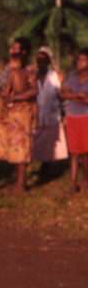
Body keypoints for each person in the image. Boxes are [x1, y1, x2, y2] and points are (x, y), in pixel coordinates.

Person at [0, 38, 37, 192]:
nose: (12, 50)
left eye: (16, 48)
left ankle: (21, 183)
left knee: (21, 147)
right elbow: (1, 89)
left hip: (22, 112)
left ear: (24, 52)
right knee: (11, 146)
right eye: (11, 47)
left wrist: (16, 98)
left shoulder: (29, 70)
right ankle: (18, 181)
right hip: (8, 112)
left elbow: (33, 90)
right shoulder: (7, 69)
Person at [32, 47, 68, 174]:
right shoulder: (33, 77)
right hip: (37, 114)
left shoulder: (55, 76)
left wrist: (64, 112)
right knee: (38, 140)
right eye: (38, 60)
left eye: (43, 60)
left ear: (48, 62)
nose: (40, 63)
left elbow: (62, 95)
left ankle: (47, 165)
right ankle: (44, 163)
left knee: (51, 141)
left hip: (52, 113)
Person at [61, 49, 88, 192]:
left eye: (83, 59)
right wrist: (77, 96)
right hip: (72, 117)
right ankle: (73, 182)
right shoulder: (71, 76)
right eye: (78, 59)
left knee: (85, 152)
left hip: (86, 117)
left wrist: (81, 98)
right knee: (74, 152)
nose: (79, 62)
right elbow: (63, 92)